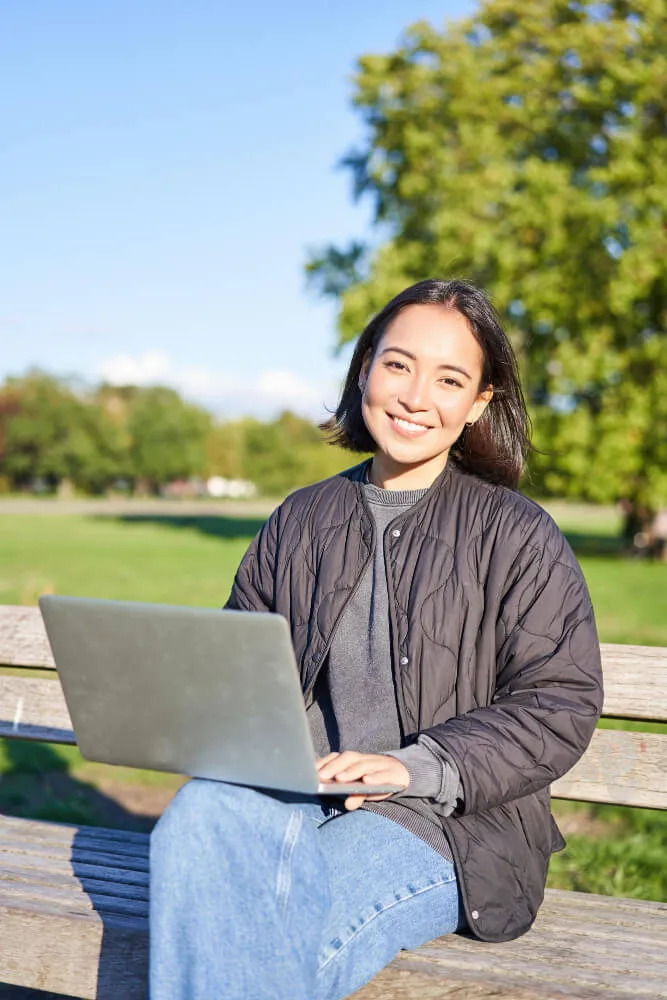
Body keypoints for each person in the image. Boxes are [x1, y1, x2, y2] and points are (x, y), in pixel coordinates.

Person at [149, 278, 603, 1000]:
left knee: (259, 937)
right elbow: (241, 670)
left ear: (479, 403)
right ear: (364, 369)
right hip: (294, 795)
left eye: (448, 378)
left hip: (442, 825)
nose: (414, 396)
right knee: (197, 817)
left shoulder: (515, 535)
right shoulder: (299, 520)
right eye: (397, 365)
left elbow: (558, 703)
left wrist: (411, 767)